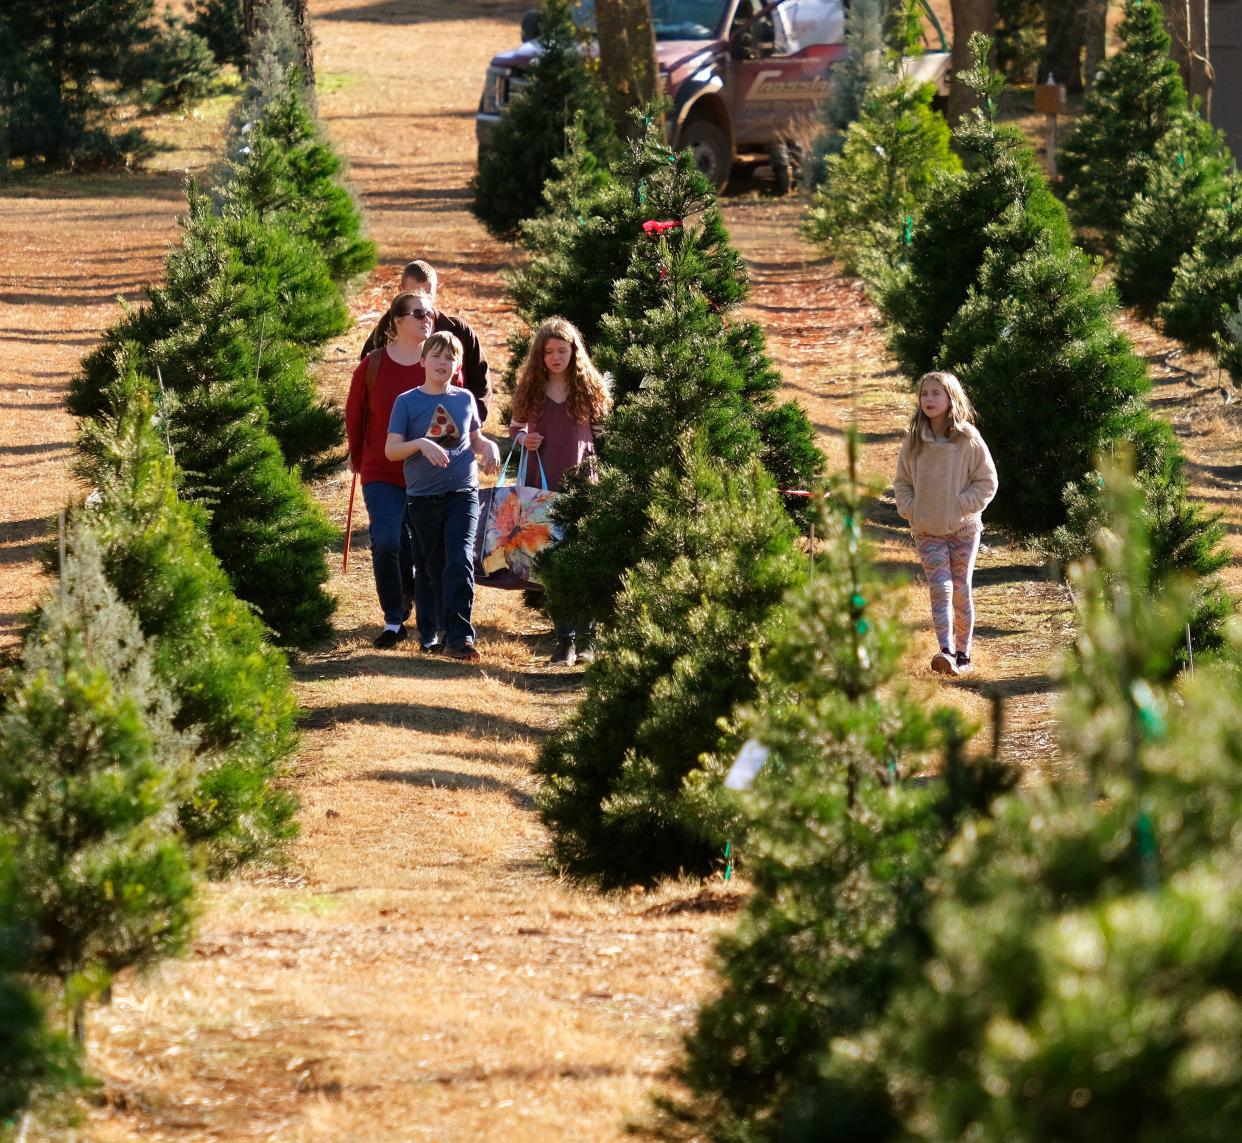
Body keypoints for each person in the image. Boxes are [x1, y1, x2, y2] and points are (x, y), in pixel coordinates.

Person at [346, 290, 452, 649]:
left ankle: (431, 625)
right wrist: (359, 460)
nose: (427, 320)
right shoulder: (373, 365)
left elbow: (459, 417)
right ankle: (394, 619)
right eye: (419, 314)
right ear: (397, 322)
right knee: (387, 542)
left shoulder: (440, 364)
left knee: (427, 550)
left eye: (431, 314)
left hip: (429, 476)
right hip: (382, 472)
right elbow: (354, 415)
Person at [386, 331, 500, 662]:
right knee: (432, 567)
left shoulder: (464, 399)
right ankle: (432, 632)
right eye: (436, 355)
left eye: (450, 357)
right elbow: (391, 450)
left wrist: (489, 446)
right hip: (422, 497)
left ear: (458, 365)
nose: (443, 362)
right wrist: (421, 444)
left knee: (460, 560)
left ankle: (460, 637)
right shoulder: (406, 402)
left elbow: (475, 439)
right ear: (422, 361)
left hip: (463, 493)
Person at [509, 317, 611, 666]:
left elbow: (602, 434)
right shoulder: (532, 389)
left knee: (584, 559)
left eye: (562, 350)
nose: (555, 357)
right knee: (553, 564)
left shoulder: (588, 387)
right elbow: (515, 429)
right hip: (542, 486)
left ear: (574, 352)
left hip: (583, 486)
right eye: (548, 351)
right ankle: (564, 639)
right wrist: (526, 439)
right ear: (539, 355)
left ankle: (588, 639)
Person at [893, 370, 998, 677]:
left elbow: (987, 481)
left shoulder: (968, 438)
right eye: (924, 394)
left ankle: (964, 654)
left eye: (936, 393)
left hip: (964, 529)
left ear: (951, 399)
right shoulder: (914, 441)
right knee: (940, 588)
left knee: (961, 588)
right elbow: (902, 483)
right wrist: (914, 510)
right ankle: (946, 652)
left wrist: (961, 506)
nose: (929, 399)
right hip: (927, 529)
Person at [360, 259, 493, 423]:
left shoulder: (459, 331)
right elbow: (367, 382)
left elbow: (480, 382)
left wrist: (471, 424)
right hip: (398, 431)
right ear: (401, 290)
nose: (422, 300)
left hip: (449, 430)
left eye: (428, 293)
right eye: (414, 293)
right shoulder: (386, 331)